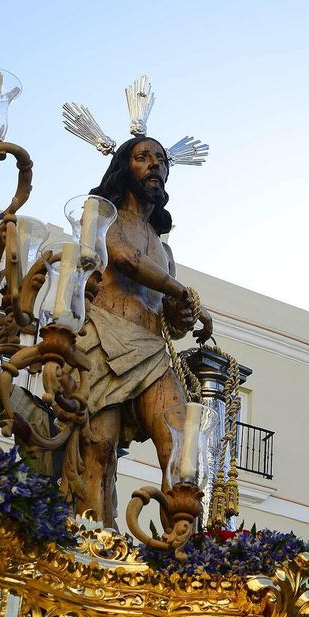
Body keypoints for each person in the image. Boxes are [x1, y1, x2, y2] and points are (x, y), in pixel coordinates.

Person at [76, 135, 212, 525]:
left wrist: (184, 312)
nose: (155, 164)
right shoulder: (103, 215)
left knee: (180, 445)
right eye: (143, 157)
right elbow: (123, 258)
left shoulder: (164, 251)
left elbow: (170, 317)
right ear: (125, 166)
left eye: (161, 159)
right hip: (105, 338)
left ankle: (180, 546)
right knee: (100, 449)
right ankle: (93, 539)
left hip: (152, 350)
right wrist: (181, 292)